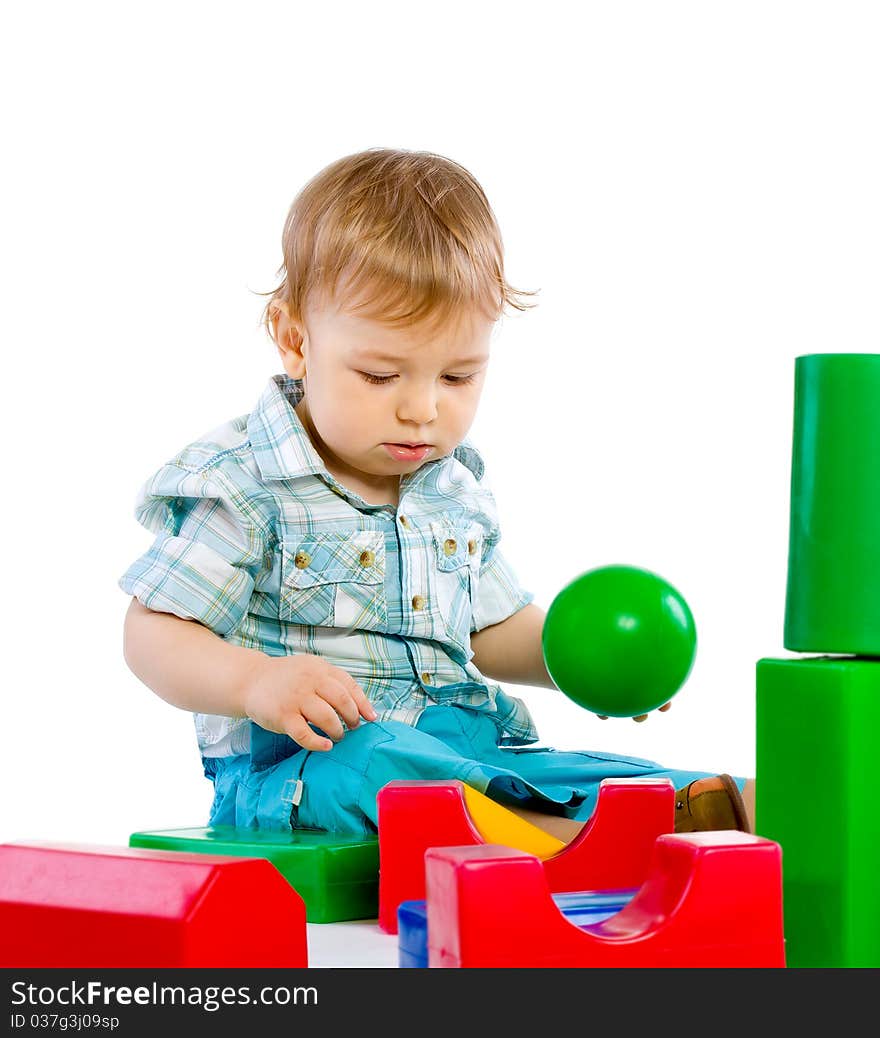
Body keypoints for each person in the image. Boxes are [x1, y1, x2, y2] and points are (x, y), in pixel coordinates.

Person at [120, 147, 753, 843]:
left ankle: (682, 811)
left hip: (472, 751)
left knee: (601, 774)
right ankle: (558, 843)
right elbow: (153, 633)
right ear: (295, 339)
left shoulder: (451, 490)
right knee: (377, 763)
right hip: (306, 770)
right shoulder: (241, 484)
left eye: (457, 378)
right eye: (381, 375)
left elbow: (487, 630)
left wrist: (585, 658)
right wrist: (253, 684)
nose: (422, 409)